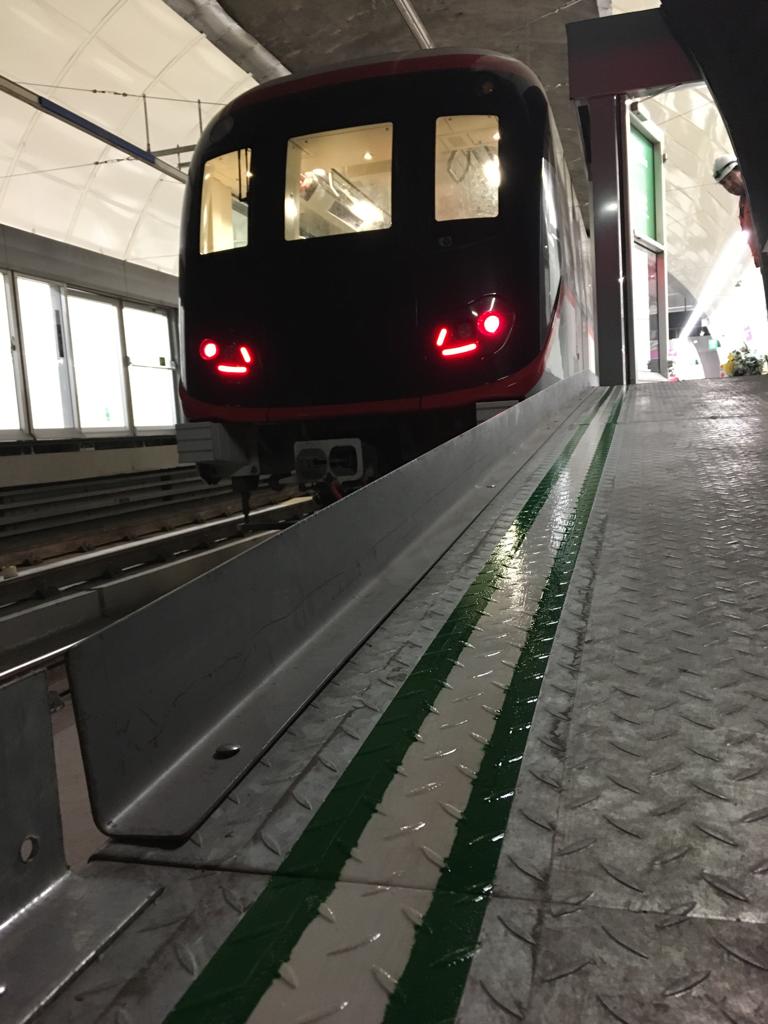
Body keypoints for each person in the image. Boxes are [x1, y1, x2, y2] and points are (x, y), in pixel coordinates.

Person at [713, 155, 761, 268]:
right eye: (724, 183)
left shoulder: (759, 191)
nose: (729, 185)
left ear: (740, 170)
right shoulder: (743, 205)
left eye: (730, 177)